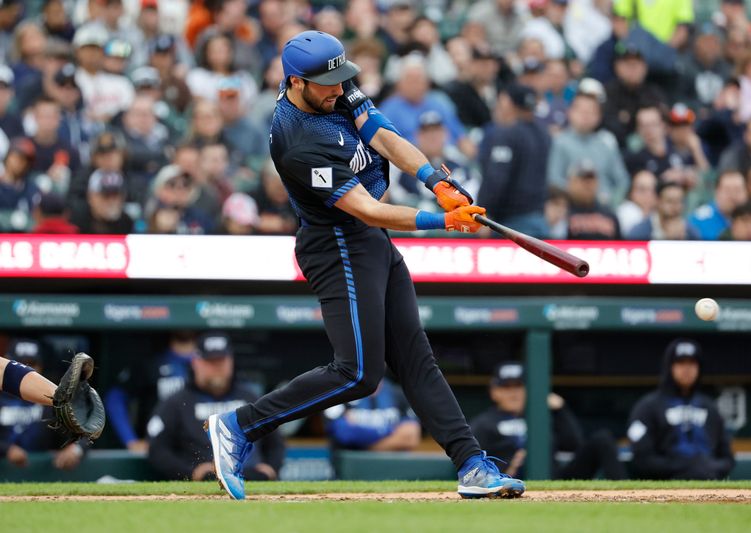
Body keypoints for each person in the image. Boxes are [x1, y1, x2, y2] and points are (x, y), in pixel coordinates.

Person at [204, 30, 524, 501]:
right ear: (296, 82)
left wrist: (437, 181)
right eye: (326, 83)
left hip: (369, 241)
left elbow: (385, 137)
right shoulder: (296, 139)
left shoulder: (333, 88)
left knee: (416, 359)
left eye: (341, 77)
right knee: (357, 373)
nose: (338, 88)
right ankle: (237, 426)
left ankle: (473, 465)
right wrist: (443, 219)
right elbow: (366, 209)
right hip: (335, 245)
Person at [148, 332, 284, 481]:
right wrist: (191, 472)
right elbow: (158, 450)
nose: (216, 368)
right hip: (206, 484)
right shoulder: (176, 402)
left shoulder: (250, 397)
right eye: (210, 362)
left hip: (251, 478)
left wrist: (271, 468)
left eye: (221, 361)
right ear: (196, 363)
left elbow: (276, 442)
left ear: (231, 361)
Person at [470, 362, 625, 480]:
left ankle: (626, 496)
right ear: (494, 392)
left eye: (518, 386)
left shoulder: (542, 416)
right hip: (508, 481)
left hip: (552, 480)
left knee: (602, 439)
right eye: (506, 387)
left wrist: (560, 410)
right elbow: (471, 464)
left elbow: (573, 444)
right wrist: (503, 472)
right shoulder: (483, 423)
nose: (513, 393)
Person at [627, 339, 735, 480]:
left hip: (709, 483)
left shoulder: (710, 408)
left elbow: (728, 459)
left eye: (692, 363)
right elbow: (641, 459)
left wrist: (707, 467)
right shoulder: (647, 407)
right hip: (666, 487)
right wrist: (684, 466)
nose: (687, 369)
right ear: (669, 367)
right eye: (680, 363)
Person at [106, 331, 198, 453]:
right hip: (160, 449)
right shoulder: (152, 365)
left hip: (199, 448)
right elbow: (115, 398)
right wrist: (131, 440)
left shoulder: (214, 366)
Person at [0, 338, 85, 471]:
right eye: (20, 364)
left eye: (32, 364)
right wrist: (5, 449)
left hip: (41, 474)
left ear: (41, 366)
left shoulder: (52, 399)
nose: (25, 370)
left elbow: (83, 434)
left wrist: (75, 449)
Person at [478, 83, 550, 238]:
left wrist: (483, 211)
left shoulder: (507, 134)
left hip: (511, 224)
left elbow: (496, 179)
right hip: (539, 220)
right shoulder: (543, 135)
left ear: (510, 104)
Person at [547, 79, 629, 208]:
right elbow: (553, 179)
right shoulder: (559, 141)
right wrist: (579, 195)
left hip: (606, 207)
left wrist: (613, 202)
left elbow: (622, 181)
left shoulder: (606, 142)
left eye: (591, 112)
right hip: (570, 206)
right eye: (581, 111)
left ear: (599, 117)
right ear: (570, 113)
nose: (585, 116)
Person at [324, 377, 421, 452]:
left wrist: (361, 443)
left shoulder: (398, 394)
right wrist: (392, 430)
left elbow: (410, 438)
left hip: (393, 471)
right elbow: (344, 433)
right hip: (350, 469)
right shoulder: (338, 393)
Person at [689, 170, 751, 240]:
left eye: (737, 190)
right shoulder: (699, 219)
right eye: (727, 190)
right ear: (717, 192)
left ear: (746, 192)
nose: (733, 195)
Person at [565, 159, 621, 240]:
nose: (588, 184)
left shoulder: (608, 213)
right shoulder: (563, 211)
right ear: (571, 182)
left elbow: (620, 245)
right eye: (583, 179)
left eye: (591, 179)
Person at [70, 169, 134, 234]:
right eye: (106, 195)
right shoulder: (76, 223)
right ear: (91, 196)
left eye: (116, 195)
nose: (112, 201)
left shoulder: (127, 224)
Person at [629, 181, 700, 240]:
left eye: (679, 201)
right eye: (670, 201)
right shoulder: (639, 232)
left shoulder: (691, 233)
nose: (675, 206)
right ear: (658, 201)